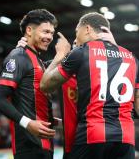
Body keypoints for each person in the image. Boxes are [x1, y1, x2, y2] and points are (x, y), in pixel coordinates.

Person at [40, 12, 139, 159]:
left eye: (77, 32)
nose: (77, 38)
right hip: (126, 138)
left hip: (93, 134)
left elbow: (45, 85)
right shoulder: (132, 58)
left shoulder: (82, 52)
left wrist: (60, 55)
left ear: (87, 29)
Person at [16, 26, 117, 159]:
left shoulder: (107, 71)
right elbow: (32, 68)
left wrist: (114, 46)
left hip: (101, 141)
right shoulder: (59, 71)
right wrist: (21, 51)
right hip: (73, 146)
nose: (78, 46)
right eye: (74, 44)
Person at [0, 9, 58, 159]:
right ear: (29, 30)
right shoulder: (19, 57)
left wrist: (53, 121)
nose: (49, 37)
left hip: (44, 145)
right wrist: (28, 123)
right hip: (28, 147)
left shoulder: (39, 62)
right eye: (45, 32)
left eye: (52, 33)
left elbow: (33, 102)